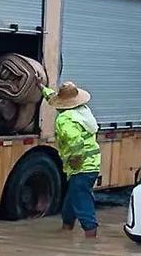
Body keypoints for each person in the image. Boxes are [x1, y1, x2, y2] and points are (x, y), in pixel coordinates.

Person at [42, 81, 101, 238]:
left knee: (82, 199)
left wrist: (76, 158)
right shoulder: (83, 111)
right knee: (72, 197)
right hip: (92, 164)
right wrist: (41, 87)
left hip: (81, 166)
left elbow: (75, 142)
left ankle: (90, 235)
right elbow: (52, 97)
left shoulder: (65, 119)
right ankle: (66, 227)